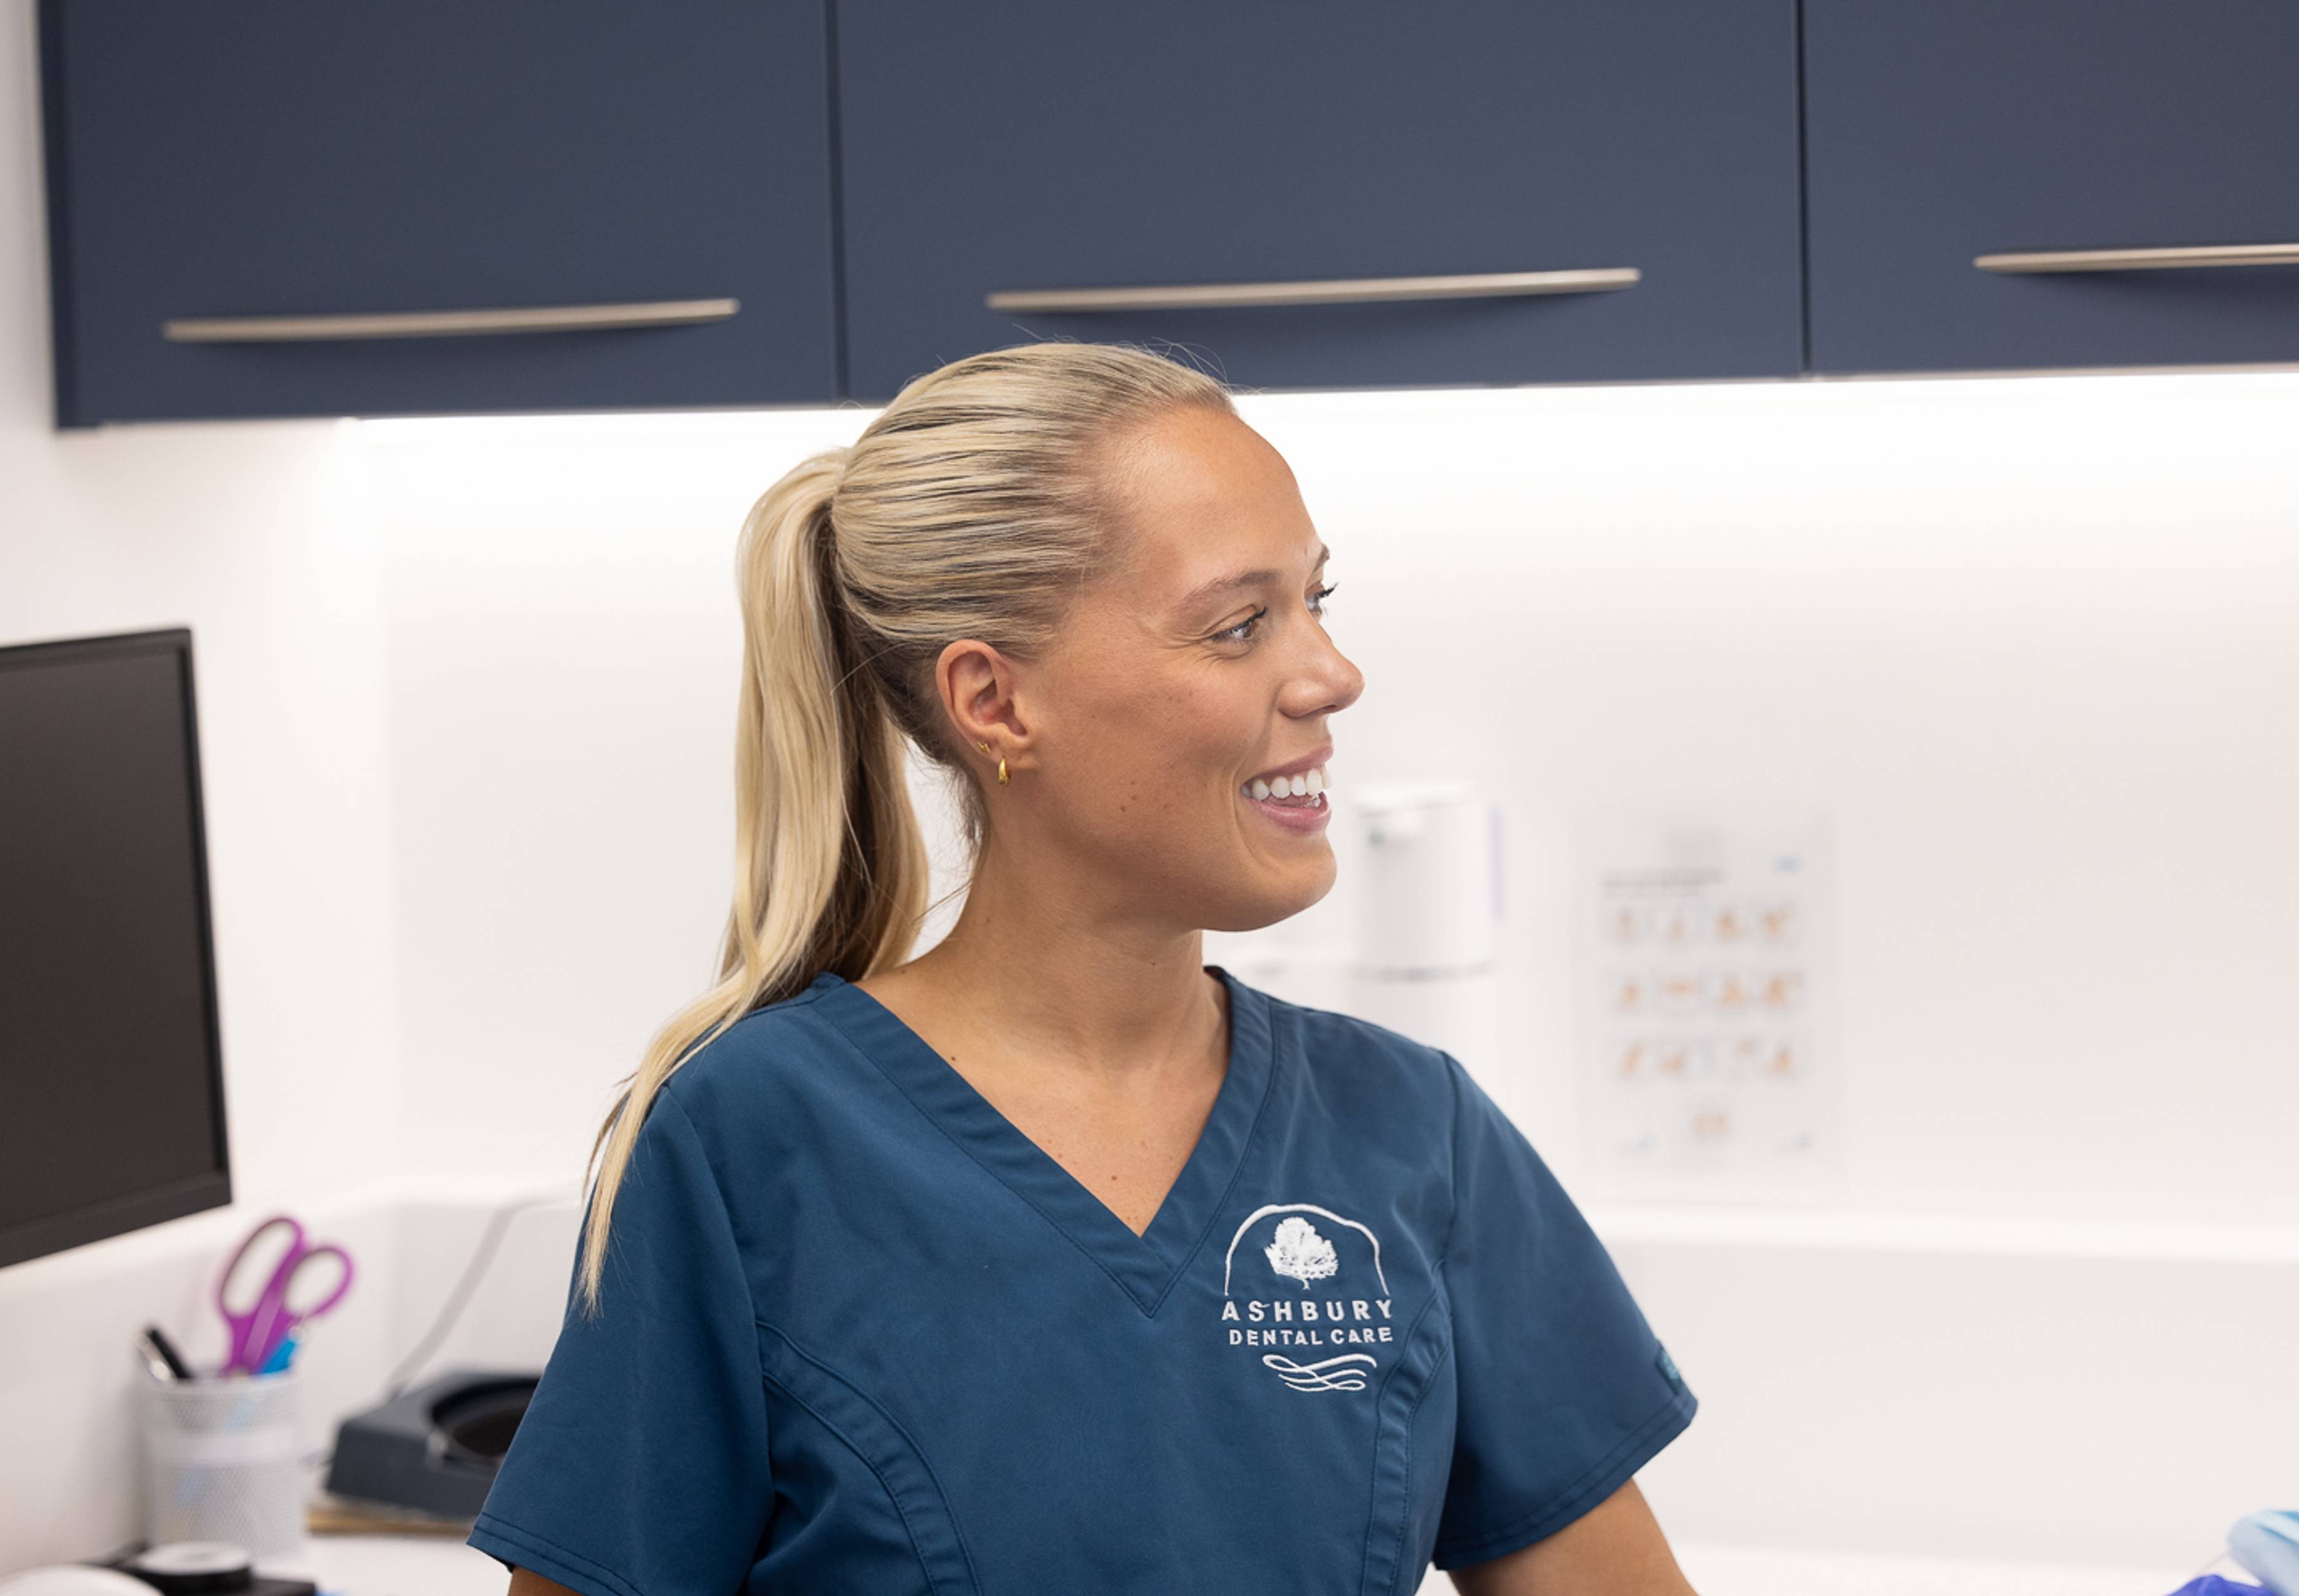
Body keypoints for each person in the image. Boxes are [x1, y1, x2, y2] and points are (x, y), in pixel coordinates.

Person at [467, 342, 1701, 1596]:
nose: (1333, 675)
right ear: (996, 704)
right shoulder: (749, 1144)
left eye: (1316, 601)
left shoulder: (1410, 1136)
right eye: (1238, 625)